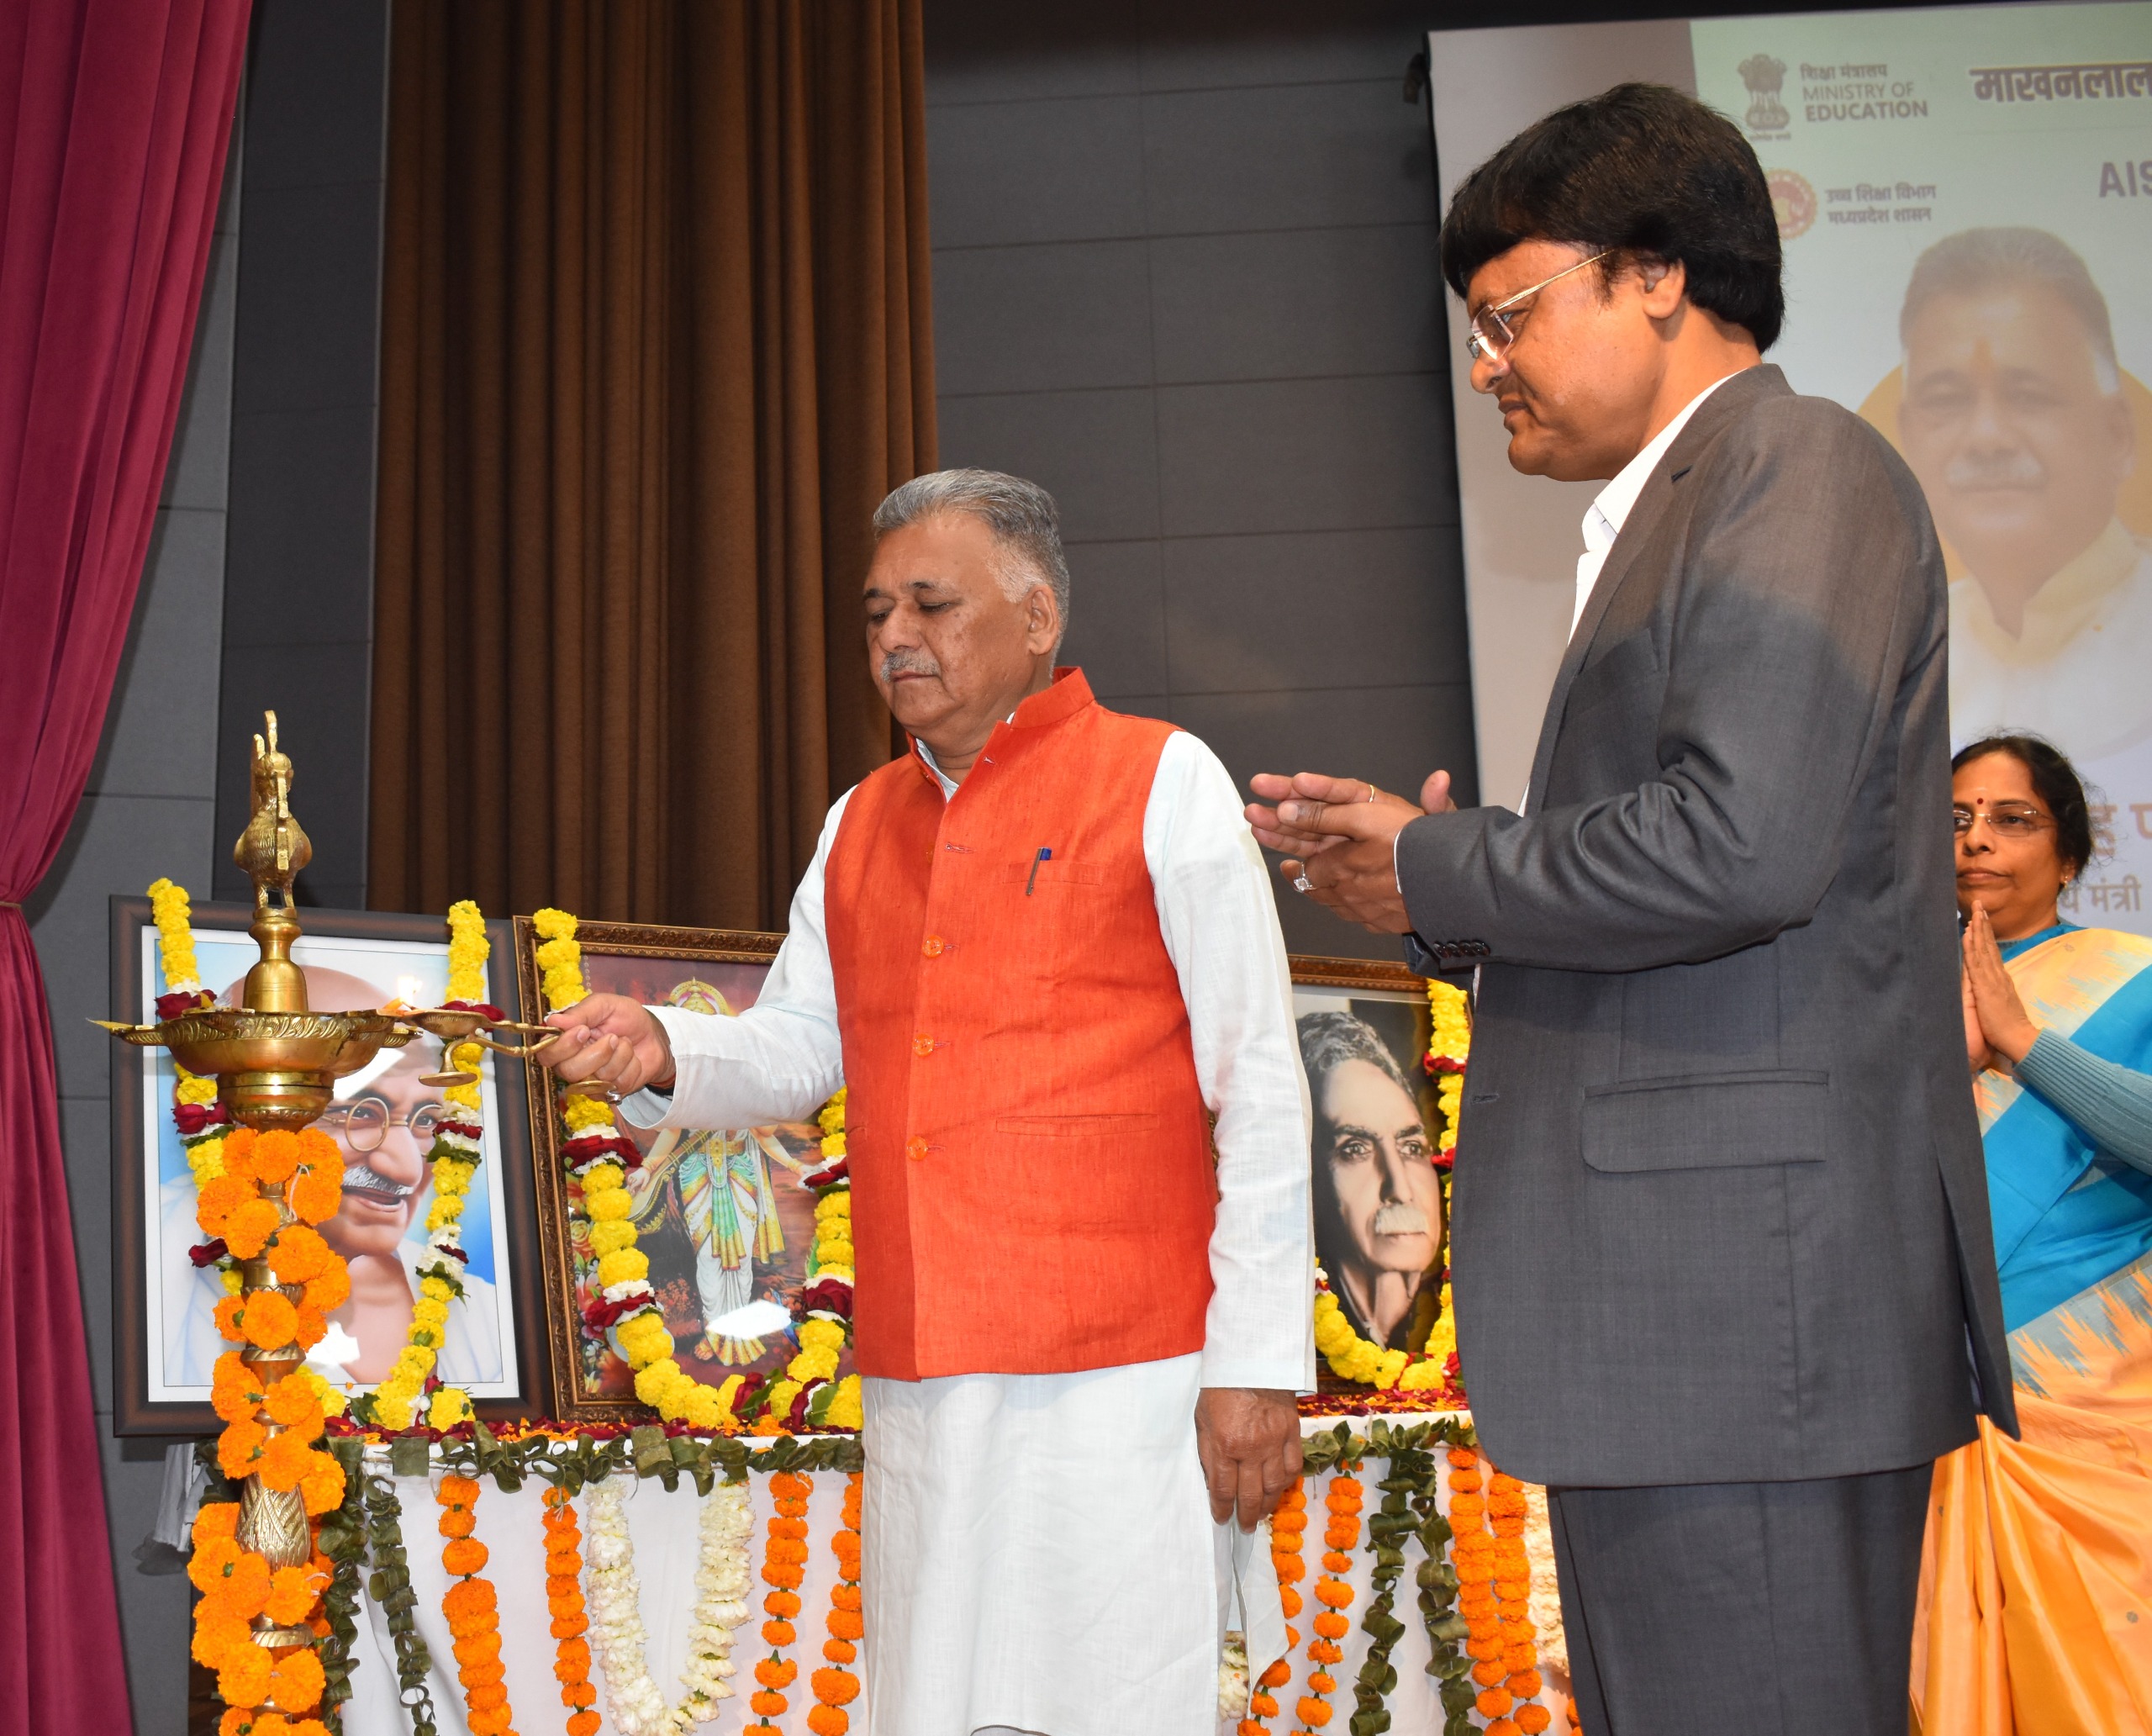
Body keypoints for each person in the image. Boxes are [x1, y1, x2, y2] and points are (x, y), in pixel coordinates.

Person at [1244, 83, 2014, 1736]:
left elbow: (1741, 846)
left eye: (1512, 312)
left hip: (1739, 1322)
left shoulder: (1792, 463)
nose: (1486, 365)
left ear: (1656, 275)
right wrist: (1441, 889)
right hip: (1695, 1331)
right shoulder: (1695, 498)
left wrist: (1446, 863)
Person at [536, 467, 1312, 1736]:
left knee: (1121, 1699)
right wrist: (661, 1047)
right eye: (876, 612)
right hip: (924, 1375)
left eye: (932, 605)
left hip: (1128, 1371)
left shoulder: (1163, 778)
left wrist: (1258, 1363)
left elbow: (1260, 1080)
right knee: (935, 1701)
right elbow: (803, 1045)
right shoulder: (859, 820)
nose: (896, 635)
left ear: (1038, 616)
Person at [1913, 735, 2152, 1736]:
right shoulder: (1880, 990)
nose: (1976, 840)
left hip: (2084, 1398)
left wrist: (2022, 1041)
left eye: (2012, 819)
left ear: (2069, 854)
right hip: (1918, 1392)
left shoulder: (2135, 979)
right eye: (1954, 818)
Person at [161, 964, 502, 1389]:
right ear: (228, 1113)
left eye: (426, 1120)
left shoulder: (482, 1315)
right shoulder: (158, 1258)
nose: (407, 1168)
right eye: (358, 1114)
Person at [1896, 229, 2152, 762]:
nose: (1987, 438)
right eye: (1947, 400)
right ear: (1908, 441)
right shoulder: (1895, 661)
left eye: (2028, 396)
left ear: (2117, 436)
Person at [1297, 1010, 1443, 1352]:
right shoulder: (1294, 1333)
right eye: (1355, 1149)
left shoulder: (1471, 1318)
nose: (1400, 1190)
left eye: (1411, 1147)